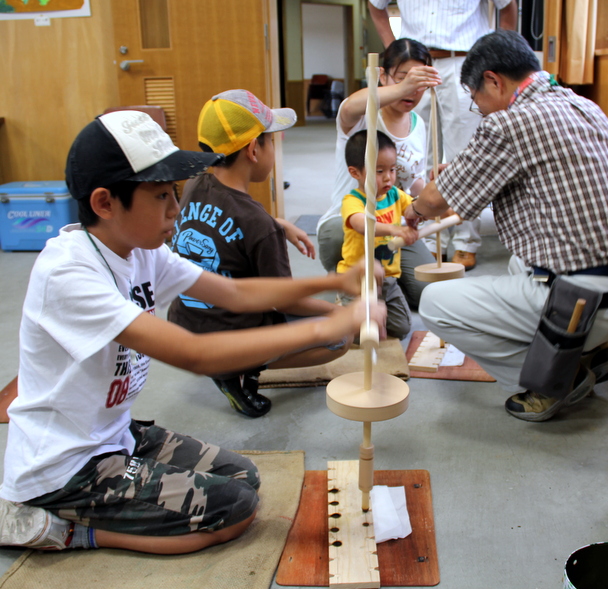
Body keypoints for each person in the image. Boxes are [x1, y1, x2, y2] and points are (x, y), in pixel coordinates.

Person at [0, 111, 382, 554]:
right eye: (161, 196)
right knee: (233, 512)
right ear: (105, 203)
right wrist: (329, 323)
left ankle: (115, 472)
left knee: (245, 476)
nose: (175, 210)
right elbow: (195, 354)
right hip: (65, 468)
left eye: (174, 194)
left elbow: (234, 295)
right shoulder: (69, 274)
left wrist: (334, 283)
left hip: (115, 437)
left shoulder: (141, 250)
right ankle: (55, 528)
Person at [406, 31, 608, 423]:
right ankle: (592, 351)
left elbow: (435, 203)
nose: (477, 108)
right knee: (519, 259)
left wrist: (414, 208)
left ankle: (555, 379)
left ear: (494, 81)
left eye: (474, 96)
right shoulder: (582, 105)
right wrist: (464, 175)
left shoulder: (509, 123)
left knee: (435, 303)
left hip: (585, 300)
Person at [168, 89, 349, 418]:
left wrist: (278, 222)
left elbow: (222, 224)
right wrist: (338, 314)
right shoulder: (258, 225)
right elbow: (284, 300)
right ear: (254, 149)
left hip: (184, 322)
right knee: (340, 340)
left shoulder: (195, 184)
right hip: (232, 334)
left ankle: (229, 364)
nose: (274, 149)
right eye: (272, 140)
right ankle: (243, 369)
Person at [368, 0, 518, 270]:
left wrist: (496, 54)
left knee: (466, 153)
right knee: (416, 152)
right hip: (414, 64)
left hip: (464, 61)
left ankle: (464, 241)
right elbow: (375, 5)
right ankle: (423, 239)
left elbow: (507, 6)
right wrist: (394, 46)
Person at [317, 37, 440, 309]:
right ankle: (346, 271)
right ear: (382, 75)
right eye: (402, 78)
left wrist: (437, 193)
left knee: (427, 294)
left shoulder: (418, 125)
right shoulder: (362, 115)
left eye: (418, 81)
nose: (411, 90)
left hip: (393, 225)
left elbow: (415, 182)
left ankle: (379, 279)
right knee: (342, 232)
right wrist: (403, 87)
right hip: (347, 224)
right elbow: (349, 105)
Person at [338, 130, 418, 339]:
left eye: (392, 169)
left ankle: (374, 311)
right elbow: (361, 224)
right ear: (355, 173)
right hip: (357, 280)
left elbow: (416, 207)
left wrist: (429, 210)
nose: (389, 177)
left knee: (401, 328)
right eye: (379, 171)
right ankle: (343, 303)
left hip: (388, 279)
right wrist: (394, 229)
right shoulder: (353, 200)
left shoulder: (394, 194)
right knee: (352, 335)